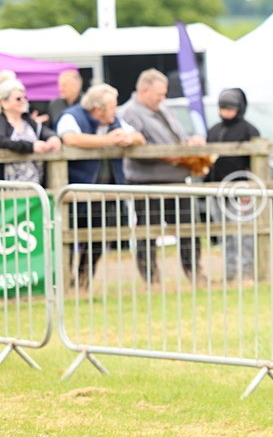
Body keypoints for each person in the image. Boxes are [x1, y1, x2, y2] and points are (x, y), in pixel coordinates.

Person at [118, 68, 209, 284]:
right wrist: (168, 156)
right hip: (147, 180)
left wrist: (189, 144)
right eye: (159, 93)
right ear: (144, 90)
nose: (163, 97)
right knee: (148, 232)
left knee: (188, 228)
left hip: (176, 178)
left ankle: (194, 272)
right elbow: (136, 149)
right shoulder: (130, 113)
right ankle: (151, 277)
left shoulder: (164, 108)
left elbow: (178, 136)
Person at [57, 83, 146, 288]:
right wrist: (106, 140)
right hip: (75, 192)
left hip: (106, 192)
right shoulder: (72, 116)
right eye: (112, 107)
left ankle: (84, 279)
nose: (116, 111)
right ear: (98, 109)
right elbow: (69, 138)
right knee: (68, 237)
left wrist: (128, 138)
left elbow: (140, 137)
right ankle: (65, 281)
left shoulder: (114, 121)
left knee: (98, 238)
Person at [205, 88, 260, 284]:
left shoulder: (249, 131)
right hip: (217, 190)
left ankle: (247, 273)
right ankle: (229, 274)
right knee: (224, 234)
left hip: (240, 191)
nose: (226, 112)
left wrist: (248, 187)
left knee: (244, 234)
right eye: (222, 108)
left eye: (230, 108)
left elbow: (255, 162)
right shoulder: (214, 130)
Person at [0, 78, 61, 183]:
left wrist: (53, 138)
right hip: (9, 188)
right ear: (4, 103)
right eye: (18, 99)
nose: (23, 101)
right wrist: (31, 146)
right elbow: (3, 141)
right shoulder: (2, 122)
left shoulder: (28, 120)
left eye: (25, 97)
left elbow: (44, 131)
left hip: (36, 184)